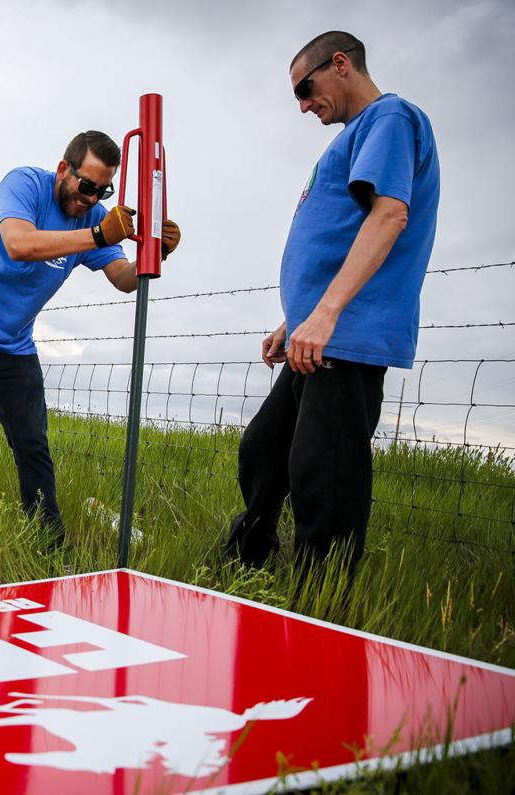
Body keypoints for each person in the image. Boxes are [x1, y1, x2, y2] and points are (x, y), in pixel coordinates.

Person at [0, 130, 182, 550]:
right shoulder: (24, 185)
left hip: (14, 347)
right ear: (64, 170)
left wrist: (155, 253)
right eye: (85, 186)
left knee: (33, 445)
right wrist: (99, 235)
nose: (90, 199)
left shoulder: (94, 218)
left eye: (101, 190)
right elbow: (19, 243)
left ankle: (48, 550)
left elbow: (123, 280)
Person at [225, 32, 440, 576]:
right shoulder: (357, 135)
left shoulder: (389, 119)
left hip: (347, 334)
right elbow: (339, 236)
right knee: (264, 453)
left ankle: (322, 607)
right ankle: (248, 566)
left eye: (306, 86)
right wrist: (294, 321)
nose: (303, 104)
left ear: (339, 64)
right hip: (319, 333)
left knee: (324, 474)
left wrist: (324, 314)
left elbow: (389, 215)